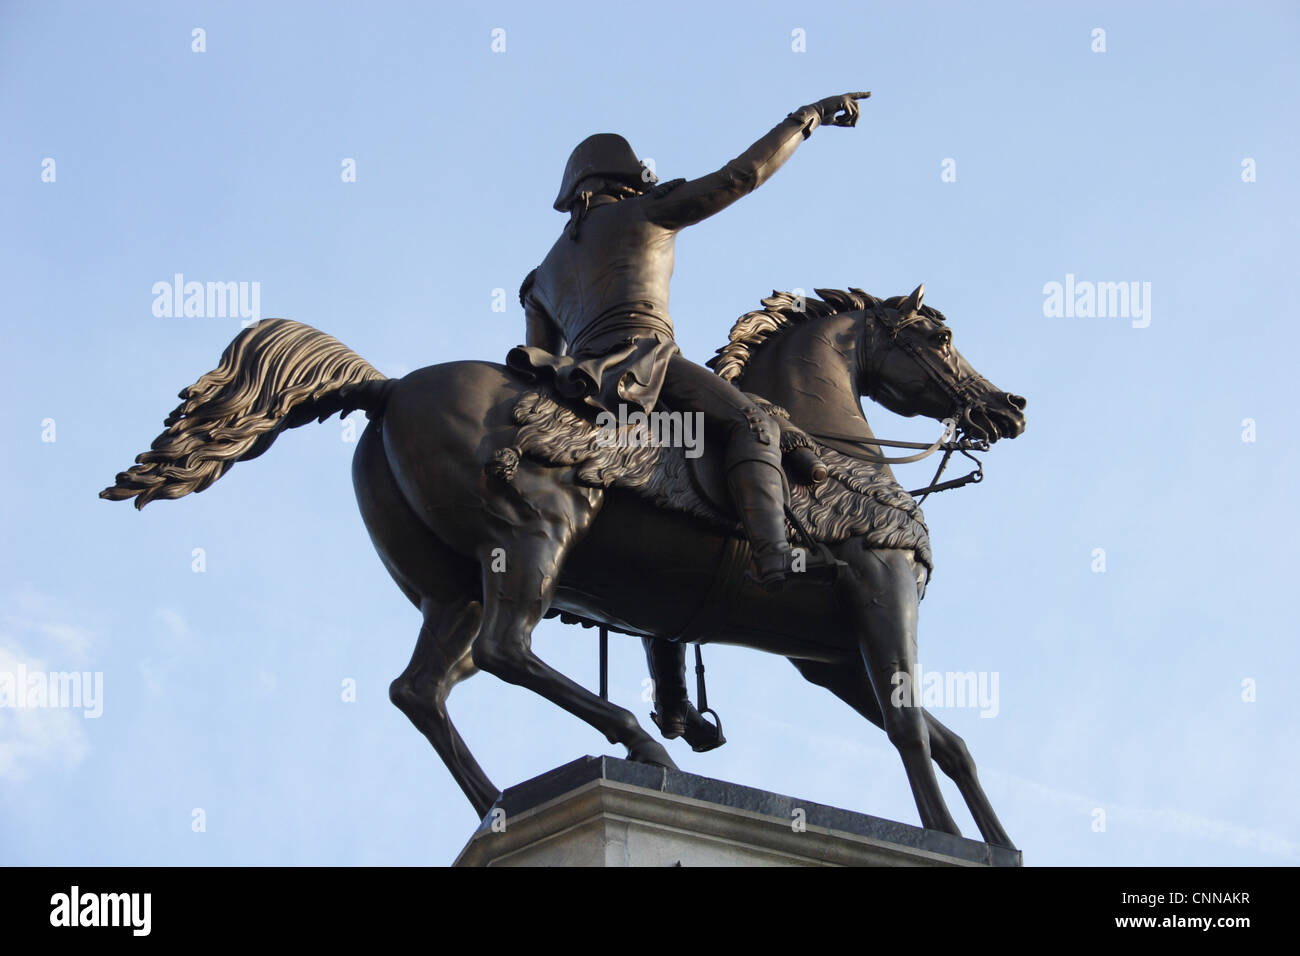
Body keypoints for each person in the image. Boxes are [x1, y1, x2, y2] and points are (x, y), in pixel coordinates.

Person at [509, 93, 869, 746]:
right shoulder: (645, 210)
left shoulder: (539, 278)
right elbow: (742, 175)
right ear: (624, 182)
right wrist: (804, 120)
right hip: (650, 362)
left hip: (586, 384)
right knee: (754, 425)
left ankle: (672, 704)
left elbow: (538, 358)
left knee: (669, 504)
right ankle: (772, 559)